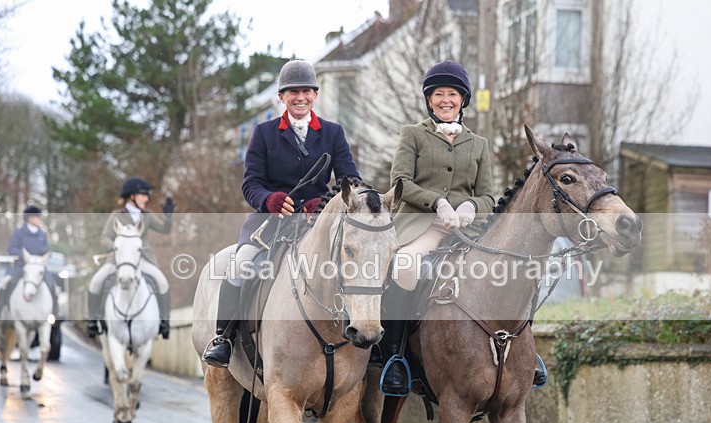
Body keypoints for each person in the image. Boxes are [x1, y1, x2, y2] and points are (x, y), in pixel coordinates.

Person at [201, 58, 360, 368]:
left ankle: (363, 339)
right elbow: (251, 184)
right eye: (292, 92)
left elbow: (351, 181)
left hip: (318, 223)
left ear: (316, 94)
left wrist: (327, 201)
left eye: (306, 91)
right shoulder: (264, 133)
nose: (300, 97)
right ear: (282, 97)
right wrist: (270, 199)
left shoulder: (333, 133)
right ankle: (224, 337)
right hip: (271, 222)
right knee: (241, 264)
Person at [378, 60, 496, 396]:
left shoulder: (479, 145)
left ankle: (524, 356)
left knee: (512, 267)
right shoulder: (413, 135)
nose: (446, 99)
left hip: (467, 231)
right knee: (405, 265)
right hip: (422, 226)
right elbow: (399, 181)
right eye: (439, 94)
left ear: (463, 100)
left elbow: (487, 195)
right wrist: (438, 203)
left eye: (453, 94)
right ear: (429, 100)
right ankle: (395, 357)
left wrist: (472, 206)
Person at [86, 177, 174, 338]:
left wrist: (168, 217)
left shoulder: (146, 216)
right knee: (96, 281)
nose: (147, 199)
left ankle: (164, 322)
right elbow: (104, 237)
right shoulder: (116, 215)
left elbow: (164, 230)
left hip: (142, 260)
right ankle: (93, 320)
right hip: (118, 260)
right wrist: (114, 246)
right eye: (143, 195)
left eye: (147, 196)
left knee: (162, 282)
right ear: (132, 196)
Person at [0, 205, 58, 315]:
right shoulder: (19, 233)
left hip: (38, 267)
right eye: (37, 217)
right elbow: (11, 248)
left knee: (52, 284)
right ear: (29, 218)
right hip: (22, 266)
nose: (39, 219)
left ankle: (55, 312)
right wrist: (23, 256)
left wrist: (46, 253)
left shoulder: (42, 234)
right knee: (5, 284)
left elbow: (46, 249)